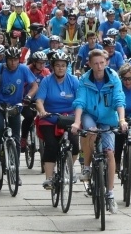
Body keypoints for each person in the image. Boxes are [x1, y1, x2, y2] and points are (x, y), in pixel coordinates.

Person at [71, 49, 127, 215]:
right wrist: (77, 122)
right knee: (91, 131)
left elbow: (119, 99)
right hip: (90, 114)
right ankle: (87, 167)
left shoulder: (114, 77)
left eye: (102, 63)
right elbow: (80, 101)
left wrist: (122, 120)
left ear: (106, 62)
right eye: (95, 63)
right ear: (89, 64)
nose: (99, 66)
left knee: (109, 153)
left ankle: (110, 193)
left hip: (108, 117)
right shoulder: (84, 79)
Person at [0, 47, 38, 164]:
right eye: (10, 60)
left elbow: (34, 85)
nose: (13, 62)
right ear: (6, 60)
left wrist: (28, 97)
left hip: (15, 106)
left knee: (16, 137)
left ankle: (16, 167)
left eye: (15, 60)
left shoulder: (23, 69)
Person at [35, 52, 80, 190]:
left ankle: (68, 167)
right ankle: (49, 177)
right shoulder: (46, 81)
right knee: (51, 145)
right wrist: (42, 111)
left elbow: (80, 100)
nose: (60, 68)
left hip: (69, 118)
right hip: (50, 118)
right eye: (58, 65)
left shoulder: (73, 81)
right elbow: (39, 100)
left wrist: (79, 116)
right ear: (53, 67)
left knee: (75, 144)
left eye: (63, 65)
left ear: (67, 67)